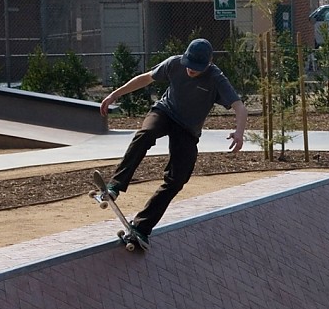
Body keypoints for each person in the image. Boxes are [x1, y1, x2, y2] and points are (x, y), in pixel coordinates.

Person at [98, 38, 248, 248]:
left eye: (196, 69)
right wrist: (115, 94)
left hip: (187, 129)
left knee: (178, 179)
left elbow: (239, 107)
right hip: (165, 112)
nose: (190, 71)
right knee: (145, 134)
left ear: (208, 64)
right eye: (189, 66)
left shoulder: (216, 78)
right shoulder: (175, 63)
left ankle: (141, 226)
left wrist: (239, 132)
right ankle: (116, 184)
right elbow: (146, 78)